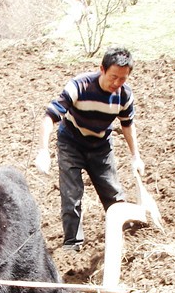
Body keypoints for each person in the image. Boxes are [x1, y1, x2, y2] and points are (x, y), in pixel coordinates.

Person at [35, 46, 145, 252]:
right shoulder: (79, 86)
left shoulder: (124, 95)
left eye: (123, 79)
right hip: (71, 143)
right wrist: (43, 150)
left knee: (112, 192)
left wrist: (135, 156)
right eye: (113, 77)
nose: (117, 83)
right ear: (102, 69)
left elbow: (127, 125)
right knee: (71, 195)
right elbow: (50, 116)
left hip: (101, 146)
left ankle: (124, 236)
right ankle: (72, 244)